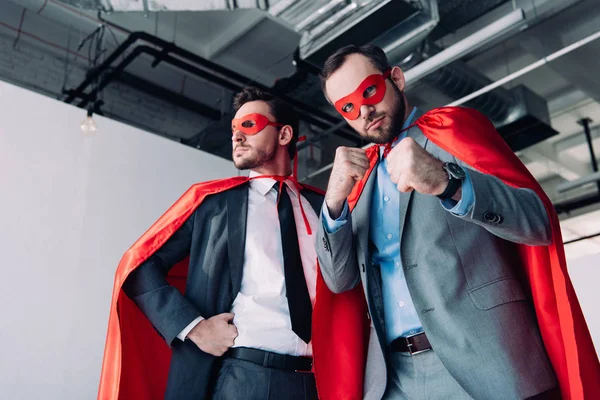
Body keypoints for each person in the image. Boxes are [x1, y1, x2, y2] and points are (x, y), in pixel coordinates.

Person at [312, 44, 600, 400]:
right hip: (394, 379)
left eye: (369, 90)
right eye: (348, 107)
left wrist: (448, 183)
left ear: (396, 78)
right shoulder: (358, 183)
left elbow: (536, 223)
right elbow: (339, 282)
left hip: (487, 365)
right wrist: (335, 202)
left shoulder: (453, 133)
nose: (365, 111)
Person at [97, 86, 323, 400]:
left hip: (321, 383)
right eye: (234, 129)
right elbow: (138, 267)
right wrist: (194, 328)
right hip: (243, 378)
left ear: (284, 135)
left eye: (249, 125)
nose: (237, 136)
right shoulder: (212, 203)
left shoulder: (324, 207)